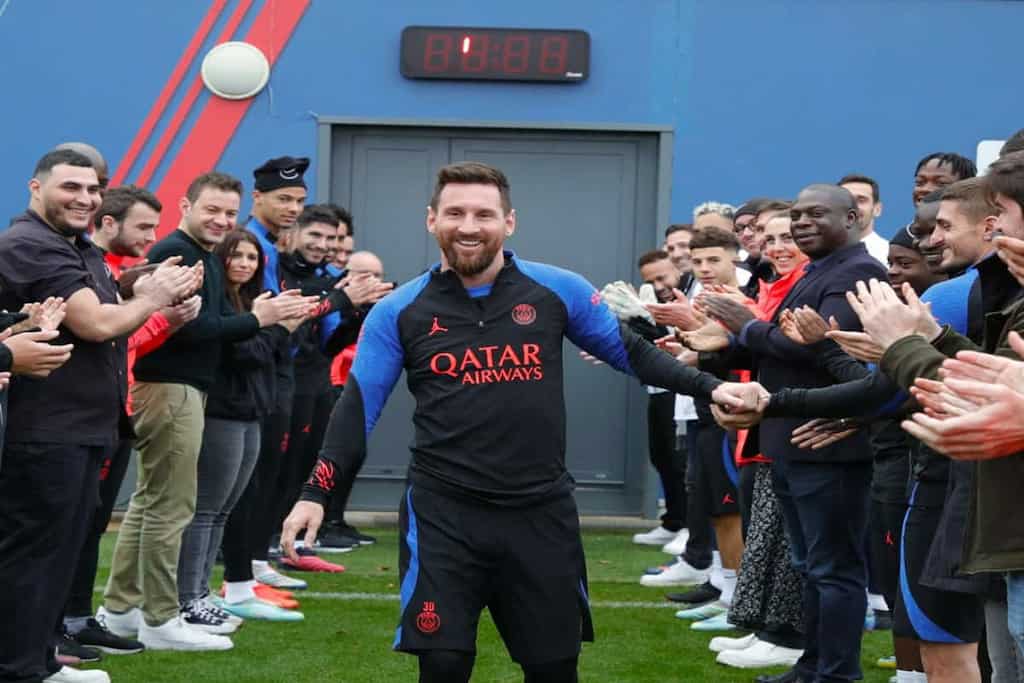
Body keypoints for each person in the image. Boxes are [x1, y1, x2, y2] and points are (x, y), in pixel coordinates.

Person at [279, 161, 767, 683]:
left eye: (484, 214)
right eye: (456, 213)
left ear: (508, 222)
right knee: (442, 665)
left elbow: (635, 355)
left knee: (553, 668)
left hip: (540, 513)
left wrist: (715, 386)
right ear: (431, 220)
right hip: (444, 515)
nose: (469, 226)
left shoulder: (557, 290)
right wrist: (316, 492)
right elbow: (356, 408)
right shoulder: (399, 310)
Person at [0, 149, 195, 683]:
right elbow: (97, 324)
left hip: (81, 428)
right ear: (35, 188)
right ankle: (18, 669)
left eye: (92, 189)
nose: (85, 199)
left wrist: (142, 283)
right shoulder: (29, 245)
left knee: (60, 556)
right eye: (71, 188)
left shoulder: (73, 245)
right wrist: (152, 297)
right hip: (43, 431)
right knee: (33, 558)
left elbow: (104, 300)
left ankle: (40, 662)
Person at [100, 172, 317, 651]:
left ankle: (121, 611)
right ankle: (160, 618)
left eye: (228, 213)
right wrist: (260, 319)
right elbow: (185, 328)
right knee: (170, 507)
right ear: (186, 205)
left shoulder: (203, 256)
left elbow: (204, 324)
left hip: (182, 389)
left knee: (152, 504)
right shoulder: (175, 253)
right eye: (211, 210)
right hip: (169, 389)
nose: (221, 221)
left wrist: (257, 320)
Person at [703, 184, 889, 683]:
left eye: (815, 214)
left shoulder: (859, 272)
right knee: (809, 566)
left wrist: (747, 327)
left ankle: (837, 674)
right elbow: (781, 349)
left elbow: (826, 353)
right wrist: (718, 343)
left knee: (833, 570)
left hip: (828, 442)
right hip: (789, 437)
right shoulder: (816, 271)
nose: (803, 223)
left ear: (852, 218)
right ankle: (812, 665)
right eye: (797, 214)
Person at [63, 185, 202, 658]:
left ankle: (79, 618)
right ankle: (63, 626)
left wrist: (170, 319)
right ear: (107, 223)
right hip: (82, 415)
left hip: (112, 412)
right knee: (72, 528)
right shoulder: (83, 269)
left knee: (92, 524)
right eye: (144, 226)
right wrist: (165, 317)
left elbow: (126, 342)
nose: (152, 236)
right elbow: (112, 337)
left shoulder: (107, 270)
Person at [709, 213, 808, 670]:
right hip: (762, 427)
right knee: (765, 534)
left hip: (793, 426)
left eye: (787, 237)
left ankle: (785, 634)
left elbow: (785, 349)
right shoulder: (772, 285)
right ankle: (764, 625)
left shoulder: (806, 285)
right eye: (770, 239)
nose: (776, 246)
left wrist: (742, 323)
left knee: (787, 543)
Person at [840, 173, 888, 265]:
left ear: (877, 209)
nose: (853, 206)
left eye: (861, 200)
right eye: (845, 200)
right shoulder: (816, 253)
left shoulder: (888, 255)